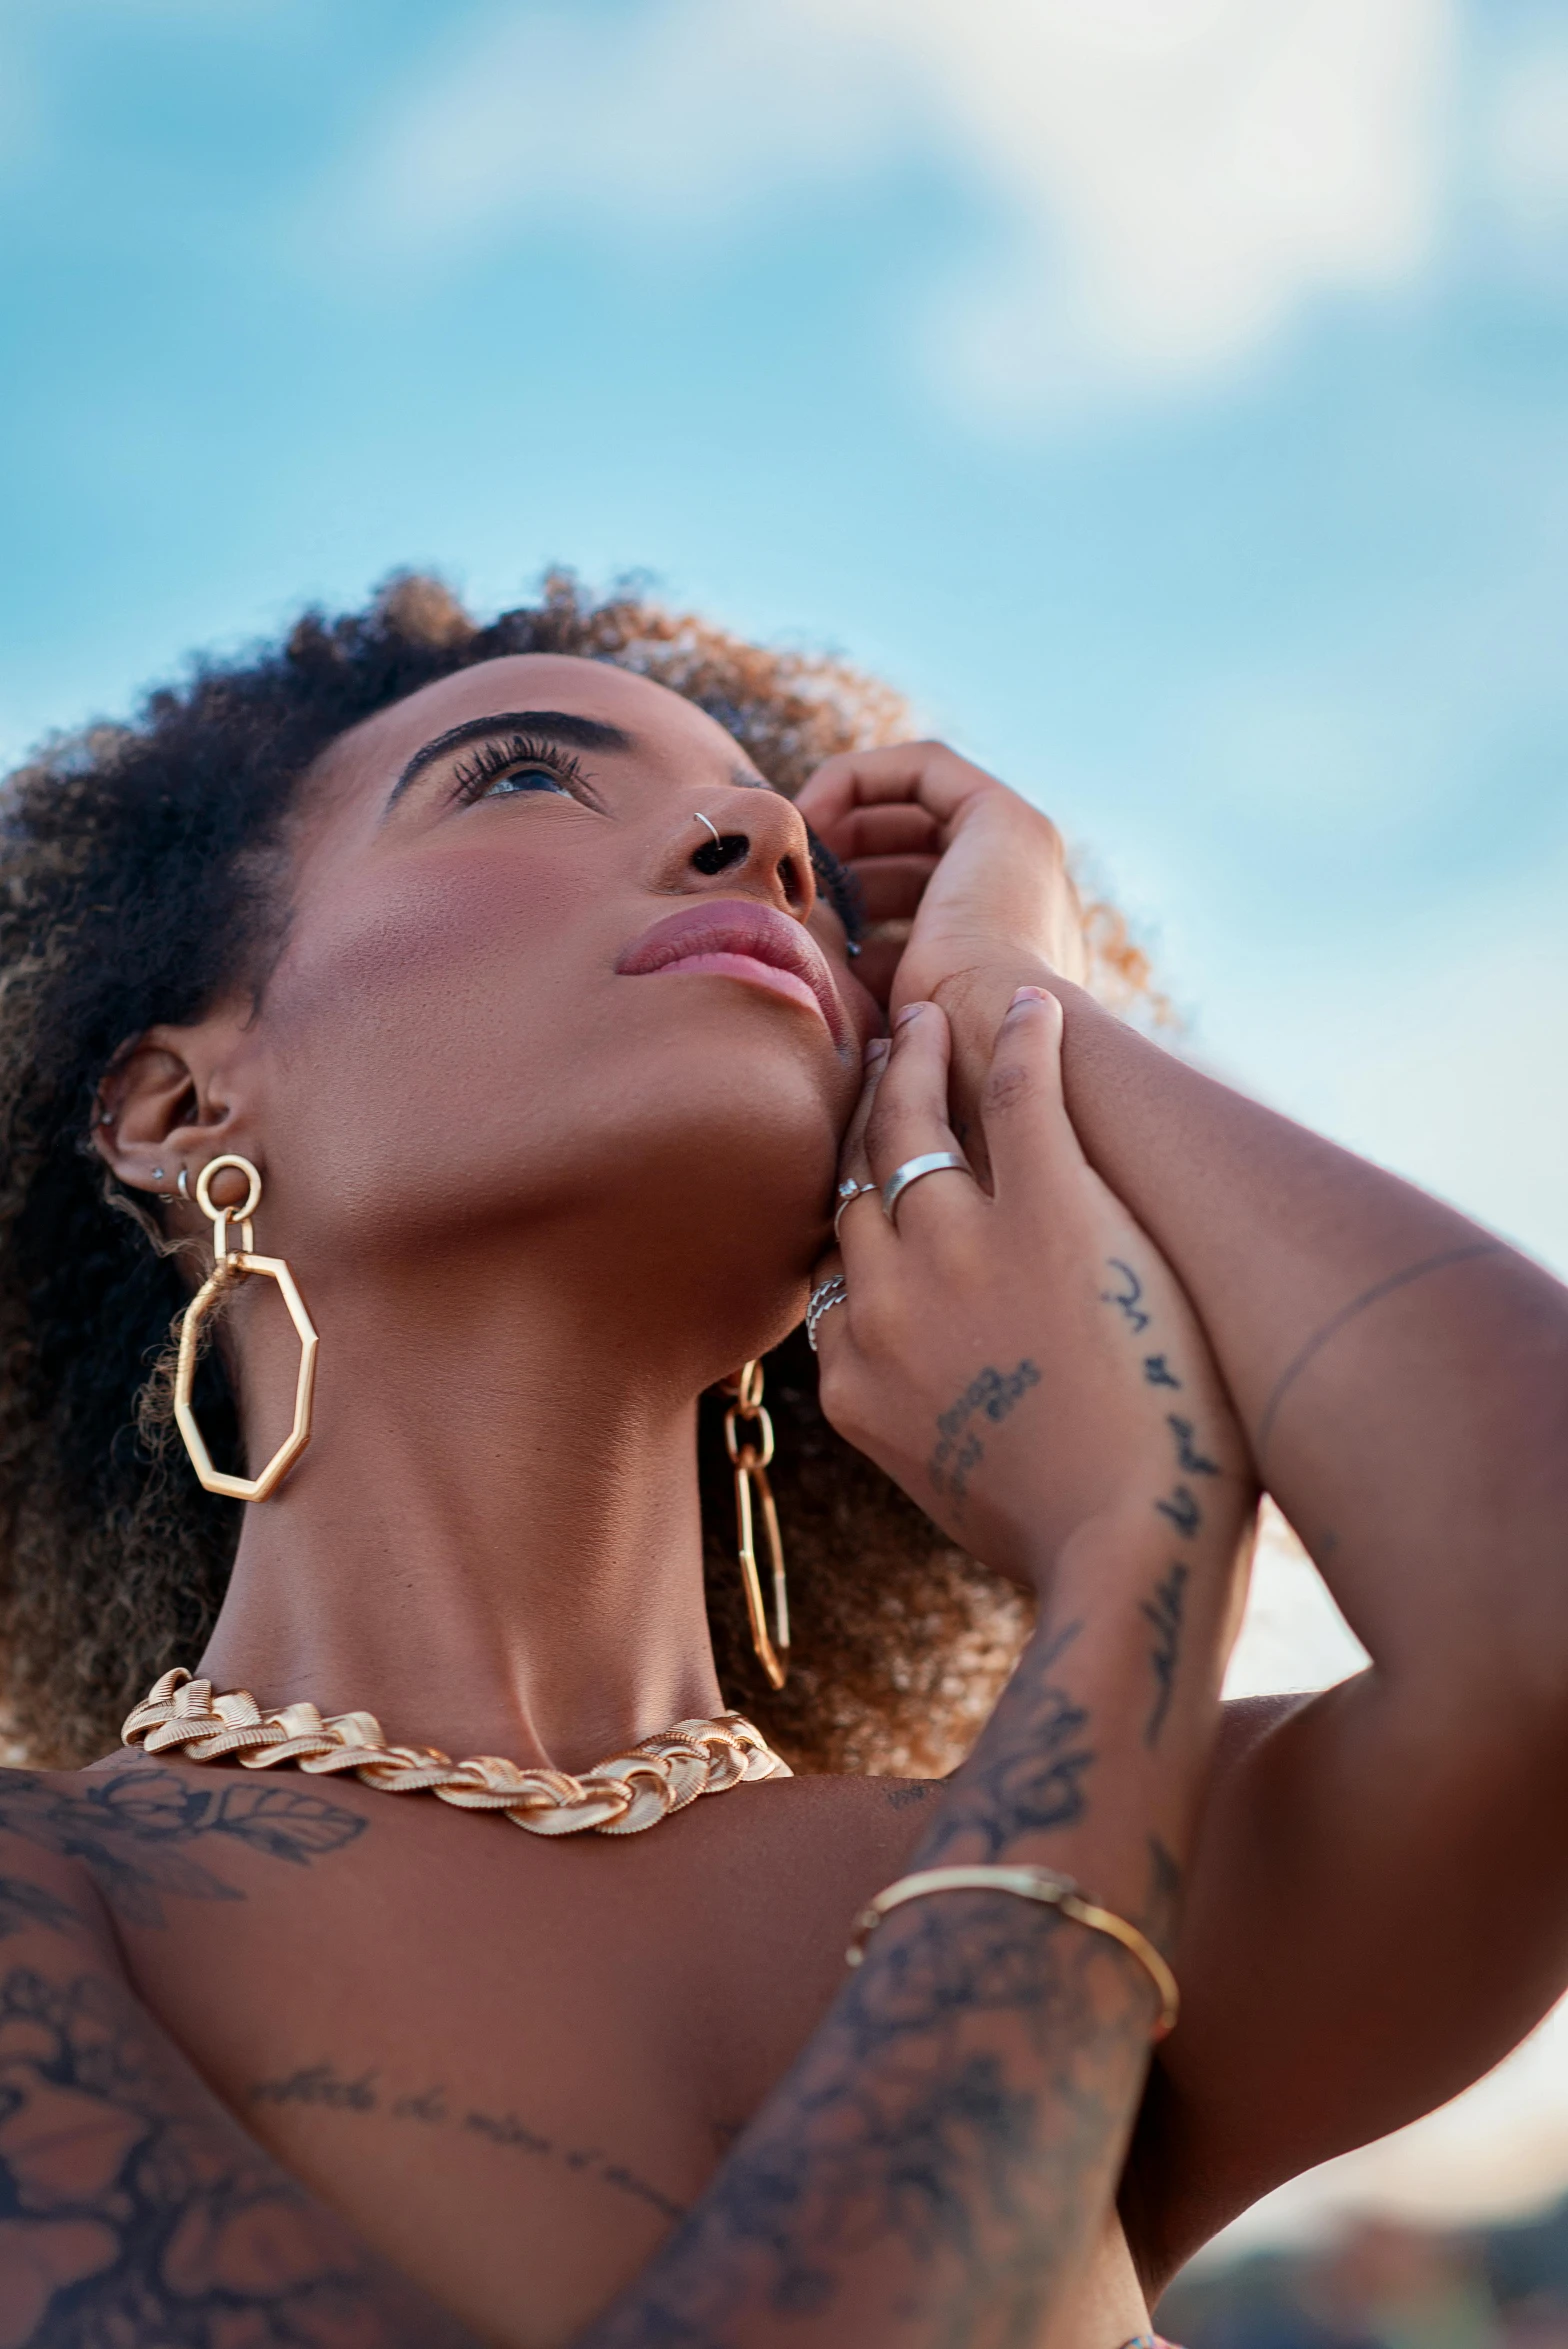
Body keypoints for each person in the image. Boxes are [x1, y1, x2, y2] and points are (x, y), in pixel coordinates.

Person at [0, 574, 1562, 2349]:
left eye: (814, 881)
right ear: (177, 1104)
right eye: (519, 775)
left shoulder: (1134, 1837)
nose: (757, 836)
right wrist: (1137, 1544)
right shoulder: (63, 1914)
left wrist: (1006, 1007)